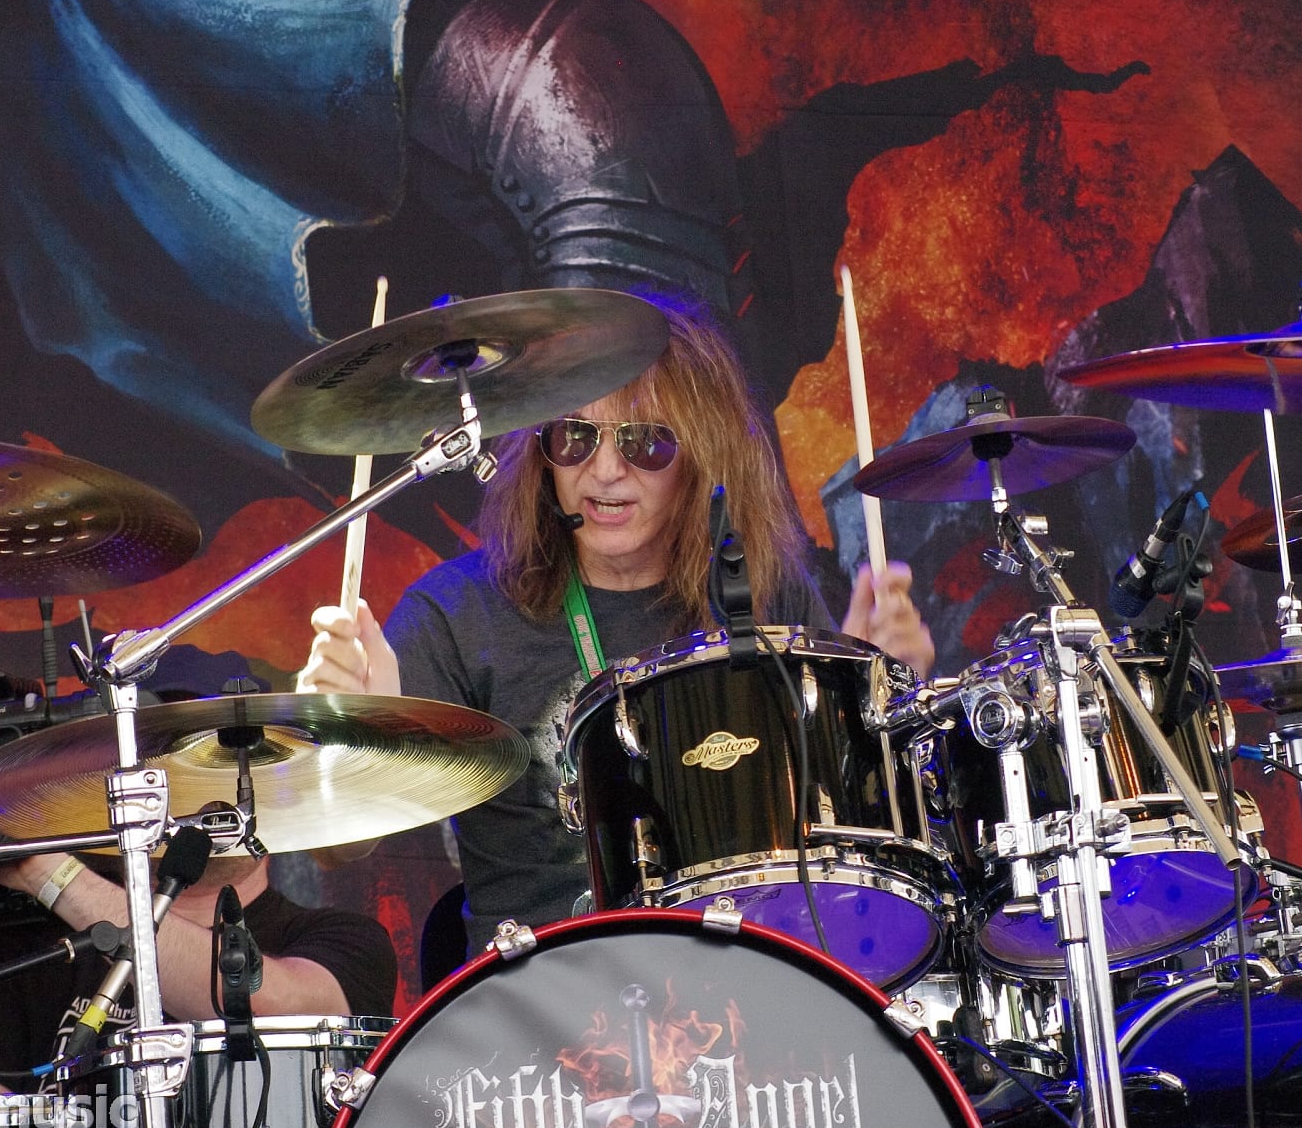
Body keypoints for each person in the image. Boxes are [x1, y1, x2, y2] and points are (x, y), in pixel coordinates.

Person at [297, 308, 936, 953]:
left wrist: (870, 701)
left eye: (644, 442)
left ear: (703, 452)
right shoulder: (456, 612)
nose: (604, 471)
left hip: (747, 968)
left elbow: (861, 833)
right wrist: (348, 744)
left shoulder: (765, 589)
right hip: (548, 988)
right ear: (541, 452)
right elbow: (338, 849)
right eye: (575, 437)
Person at [0, 647, 398, 1101]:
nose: (194, 783)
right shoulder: (28, 950)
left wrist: (50, 874)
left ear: (269, 787)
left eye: (220, 757)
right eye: (164, 762)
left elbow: (272, 1012)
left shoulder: (344, 940)